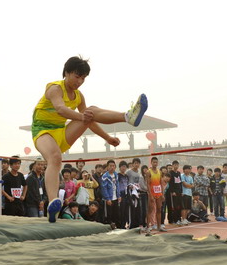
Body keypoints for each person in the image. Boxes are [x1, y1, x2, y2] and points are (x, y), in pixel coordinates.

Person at [32, 56, 148, 222]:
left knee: (91, 111)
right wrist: (82, 117)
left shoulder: (79, 96)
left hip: (62, 132)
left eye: (83, 78)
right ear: (66, 73)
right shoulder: (55, 88)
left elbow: (88, 120)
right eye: (76, 76)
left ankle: (127, 116)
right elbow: (61, 109)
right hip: (42, 131)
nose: (79, 81)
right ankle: (53, 203)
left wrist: (107, 137)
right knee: (55, 157)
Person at [146, 157, 163, 232]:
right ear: (151, 163)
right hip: (152, 193)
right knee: (150, 210)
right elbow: (148, 184)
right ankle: (148, 227)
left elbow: (161, 183)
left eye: (156, 162)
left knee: (159, 209)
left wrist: (162, 194)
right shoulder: (148, 172)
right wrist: (150, 195)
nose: (155, 164)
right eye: (154, 162)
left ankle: (159, 226)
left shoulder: (159, 171)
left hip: (158, 193)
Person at [101, 160, 120, 227]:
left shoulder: (116, 174)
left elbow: (117, 185)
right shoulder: (105, 176)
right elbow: (104, 188)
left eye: (113, 166)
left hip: (115, 198)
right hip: (109, 198)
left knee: (116, 214)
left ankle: (116, 227)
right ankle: (109, 227)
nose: (112, 167)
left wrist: (119, 195)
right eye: (110, 166)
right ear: (107, 167)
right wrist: (107, 198)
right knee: (109, 214)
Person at [168, 160, 182, 226]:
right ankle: (174, 219)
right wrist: (172, 191)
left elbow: (180, 182)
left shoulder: (179, 173)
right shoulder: (171, 173)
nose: (176, 166)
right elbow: (170, 184)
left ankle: (179, 219)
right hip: (174, 192)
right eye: (175, 165)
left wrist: (181, 191)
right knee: (174, 206)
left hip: (179, 191)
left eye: (177, 165)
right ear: (173, 165)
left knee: (179, 206)